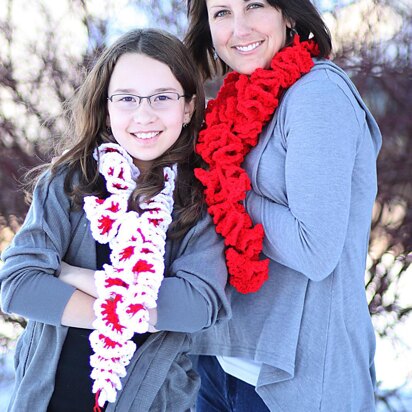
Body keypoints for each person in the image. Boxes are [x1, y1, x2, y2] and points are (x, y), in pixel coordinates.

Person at [0, 28, 230, 412]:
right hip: (50, 399)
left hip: (152, 401)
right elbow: (19, 284)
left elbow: (196, 305)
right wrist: (132, 312)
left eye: (162, 98)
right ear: (106, 105)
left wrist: (73, 276)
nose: (144, 115)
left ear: (188, 106)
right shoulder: (70, 183)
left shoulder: (200, 197)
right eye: (126, 98)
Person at [184, 0, 382, 411]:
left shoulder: (318, 95)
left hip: (291, 381)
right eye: (221, 12)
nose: (238, 29)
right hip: (220, 363)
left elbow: (314, 249)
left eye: (254, 5)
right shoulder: (234, 100)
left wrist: (220, 186)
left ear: (288, 14)